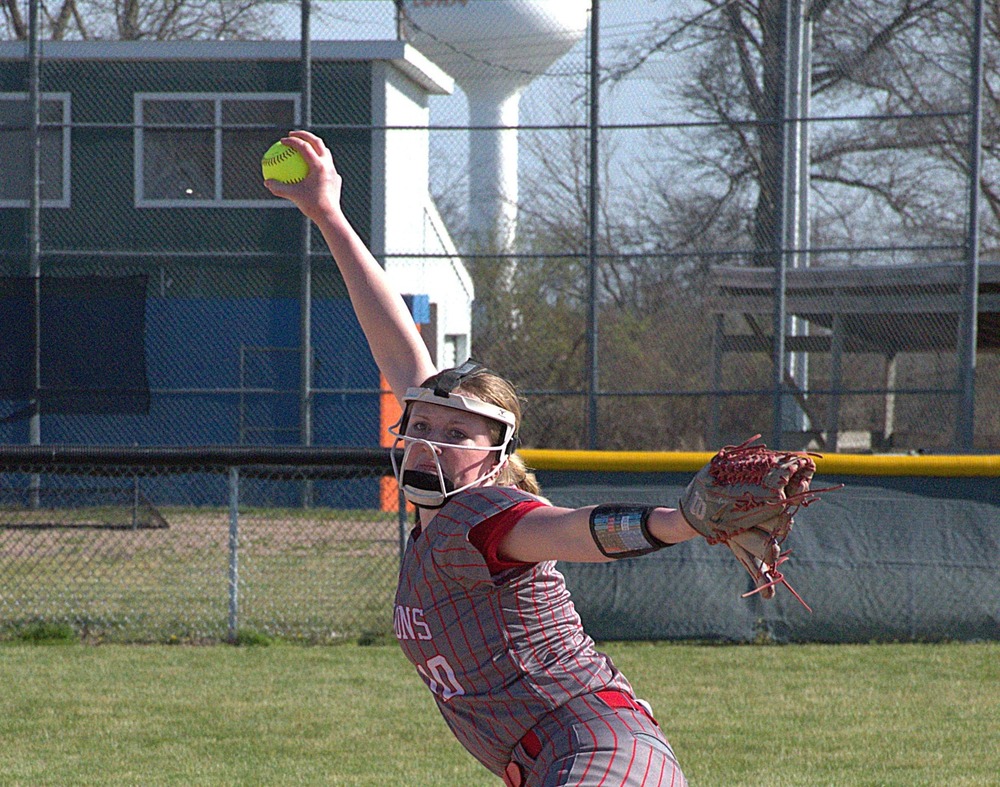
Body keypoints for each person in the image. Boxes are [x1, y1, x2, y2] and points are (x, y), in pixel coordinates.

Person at [266, 130, 695, 786]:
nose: (434, 438)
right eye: (424, 423)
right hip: (556, 754)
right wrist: (328, 215)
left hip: (600, 744)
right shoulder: (434, 521)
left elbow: (573, 530)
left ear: (494, 457)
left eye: (458, 434)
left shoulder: (488, 510)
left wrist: (679, 521)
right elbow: (396, 348)